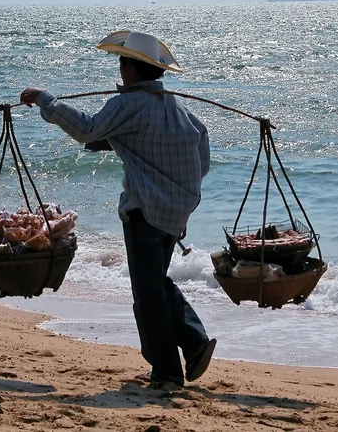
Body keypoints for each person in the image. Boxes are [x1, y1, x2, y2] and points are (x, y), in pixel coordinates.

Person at [20, 31, 216, 389]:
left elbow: (87, 130)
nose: (120, 69)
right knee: (154, 282)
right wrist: (182, 209)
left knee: (147, 292)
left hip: (144, 211)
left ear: (130, 68)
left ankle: (172, 368)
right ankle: (190, 345)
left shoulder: (127, 105)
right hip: (175, 213)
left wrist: (44, 98)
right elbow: (200, 162)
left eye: (121, 63)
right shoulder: (180, 110)